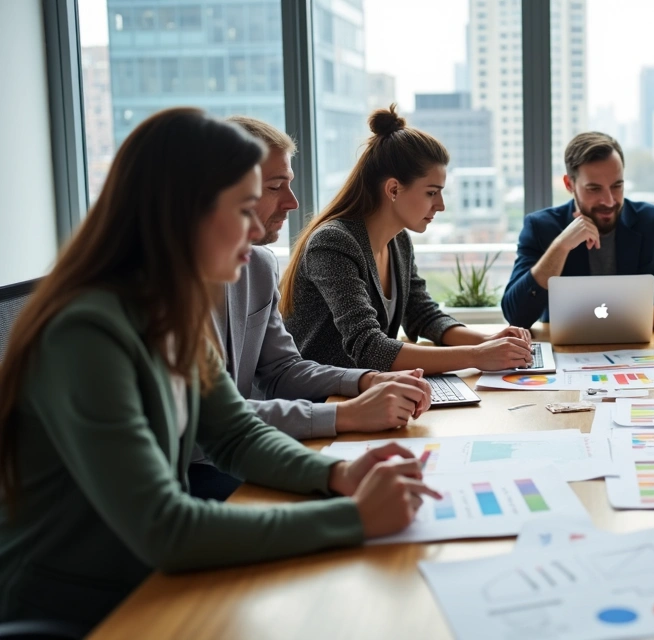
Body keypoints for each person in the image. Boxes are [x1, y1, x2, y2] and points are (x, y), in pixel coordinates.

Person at [0, 108, 439, 631]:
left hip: (149, 580)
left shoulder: (171, 306)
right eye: (244, 207)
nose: (258, 227)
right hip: (78, 609)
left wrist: (338, 474)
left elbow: (235, 434)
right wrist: (354, 517)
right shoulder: (85, 333)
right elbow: (164, 528)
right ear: (185, 212)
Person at [182, 115, 435, 502]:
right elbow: (210, 424)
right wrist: (346, 415)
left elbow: (283, 369)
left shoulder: (258, 266)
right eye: (273, 187)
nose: (293, 203)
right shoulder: (160, 294)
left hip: (244, 447)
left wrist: (367, 381)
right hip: (192, 467)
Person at [281, 105, 533, 373]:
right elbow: (369, 348)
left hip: (366, 393)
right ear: (393, 189)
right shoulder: (333, 243)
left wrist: (489, 341)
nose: (441, 205)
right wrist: (476, 356)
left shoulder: (398, 241)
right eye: (431, 193)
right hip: (321, 401)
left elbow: (422, 315)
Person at [501, 132, 654, 329]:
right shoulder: (540, 227)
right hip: (565, 353)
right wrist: (561, 246)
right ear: (570, 185)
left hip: (636, 348)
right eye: (594, 189)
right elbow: (516, 316)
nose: (609, 201)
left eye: (617, 186)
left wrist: (633, 320)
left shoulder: (653, 222)